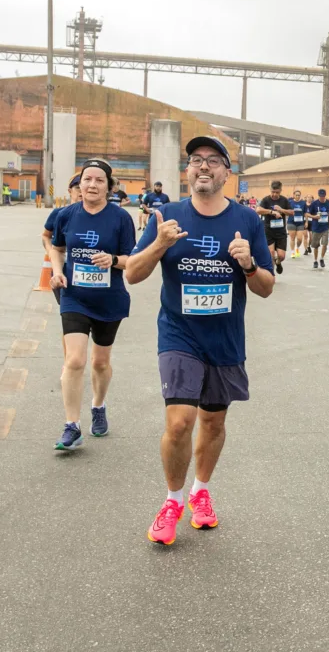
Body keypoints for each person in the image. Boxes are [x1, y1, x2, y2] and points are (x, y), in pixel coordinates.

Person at [126, 136, 275, 546]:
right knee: (180, 422)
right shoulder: (166, 215)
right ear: (187, 171)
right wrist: (159, 244)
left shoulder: (247, 221)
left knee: (213, 421)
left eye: (213, 161)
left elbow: (266, 287)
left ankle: (201, 491)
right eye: (196, 160)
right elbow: (132, 274)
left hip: (225, 339)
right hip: (179, 334)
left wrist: (247, 264)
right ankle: (173, 500)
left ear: (228, 173)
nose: (203, 166)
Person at [49, 159, 137, 450]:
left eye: (99, 180)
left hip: (109, 299)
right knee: (75, 360)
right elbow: (57, 248)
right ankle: (71, 426)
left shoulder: (121, 218)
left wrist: (112, 260)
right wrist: (58, 271)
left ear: (109, 187)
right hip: (74, 297)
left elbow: (131, 261)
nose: (92, 185)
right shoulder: (66, 215)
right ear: (80, 183)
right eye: (87, 179)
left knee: (100, 363)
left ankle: (98, 406)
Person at [41, 174, 83, 307]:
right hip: (63, 269)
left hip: (89, 269)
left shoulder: (101, 216)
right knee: (69, 310)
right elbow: (46, 235)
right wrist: (51, 253)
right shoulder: (60, 213)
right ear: (70, 191)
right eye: (78, 188)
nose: (82, 191)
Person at [257, 181, 292, 274]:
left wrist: (281, 210)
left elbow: (292, 212)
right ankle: (271, 274)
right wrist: (271, 212)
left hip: (281, 232)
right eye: (273, 192)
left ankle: (278, 262)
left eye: (277, 192)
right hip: (268, 230)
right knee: (271, 253)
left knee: (281, 256)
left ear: (281, 190)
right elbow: (258, 210)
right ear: (270, 190)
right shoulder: (266, 200)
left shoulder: (284, 200)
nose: (274, 194)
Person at [307, 189, 329, 269]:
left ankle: (321, 258)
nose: (322, 198)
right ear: (318, 195)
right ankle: (315, 260)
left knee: (325, 244)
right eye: (320, 196)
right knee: (316, 246)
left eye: (323, 196)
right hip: (316, 228)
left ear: (325, 195)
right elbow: (307, 214)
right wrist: (314, 217)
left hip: (325, 227)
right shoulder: (314, 204)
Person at [288, 189, 306, 258]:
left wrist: (306, 221)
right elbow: (286, 211)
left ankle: (297, 248)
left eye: (299, 195)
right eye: (296, 195)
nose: (298, 196)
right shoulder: (290, 202)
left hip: (300, 223)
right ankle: (292, 252)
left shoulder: (303, 203)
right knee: (292, 238)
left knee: (299, 238)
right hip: (291, 222)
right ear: (294, 195)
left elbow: (305, 213)